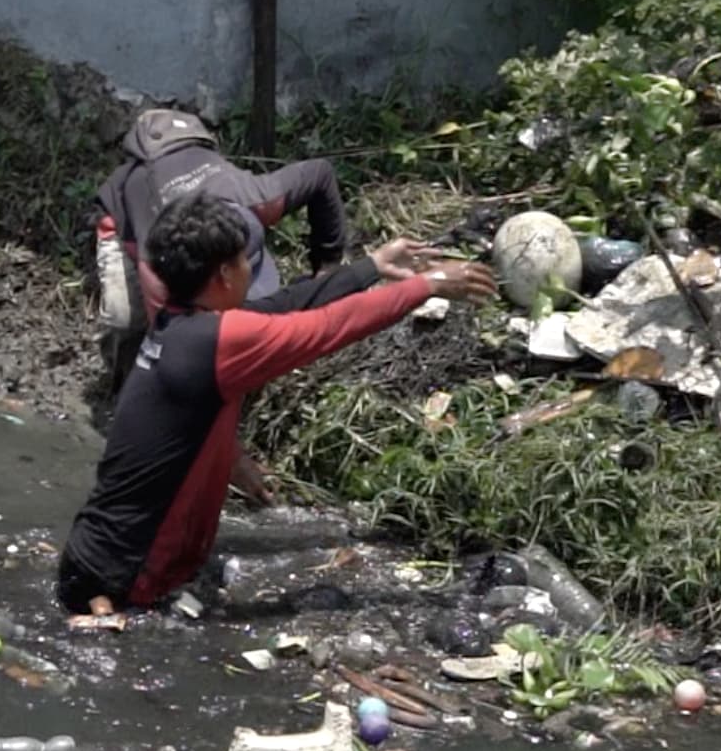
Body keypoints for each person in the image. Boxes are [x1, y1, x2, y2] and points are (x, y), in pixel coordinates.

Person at [58, 193, 492, 615]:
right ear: (226, 274)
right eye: (245, 259)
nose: (252, 268)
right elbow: (327, 327)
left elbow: (286, 305)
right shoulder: (218, 340)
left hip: (98, 561)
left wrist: (372, 266)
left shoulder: (180, 324)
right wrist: (428, 285)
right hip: (121, 585)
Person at [91, 107, 353, 402]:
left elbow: (320, 173)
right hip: (125, 220)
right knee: (124, 319)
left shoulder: (259, 198)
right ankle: (120, 390)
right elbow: (169, 348)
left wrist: (327, 267)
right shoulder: (159, 264)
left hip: (194, 175)